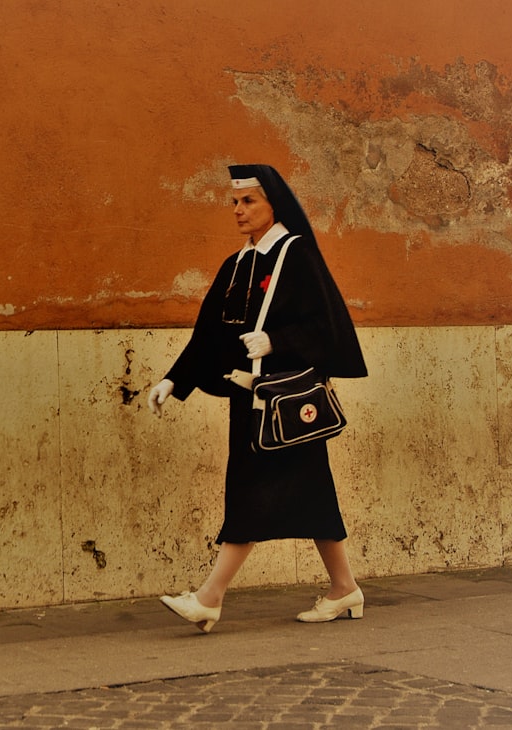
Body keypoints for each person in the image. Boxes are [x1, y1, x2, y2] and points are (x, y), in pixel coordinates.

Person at [148, 164, 368, 633]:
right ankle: (344, 588)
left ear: (274, 203)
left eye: (248, 201)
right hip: (248, 401)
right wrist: (174, 380)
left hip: (285, 404)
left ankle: (209, 597)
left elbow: (326, 325)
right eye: (234, 202)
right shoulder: (237, 263)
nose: (238, 210)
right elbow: (209, 334)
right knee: (315, 498)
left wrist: (276, 342)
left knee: (248, 492)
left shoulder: (297, 253)